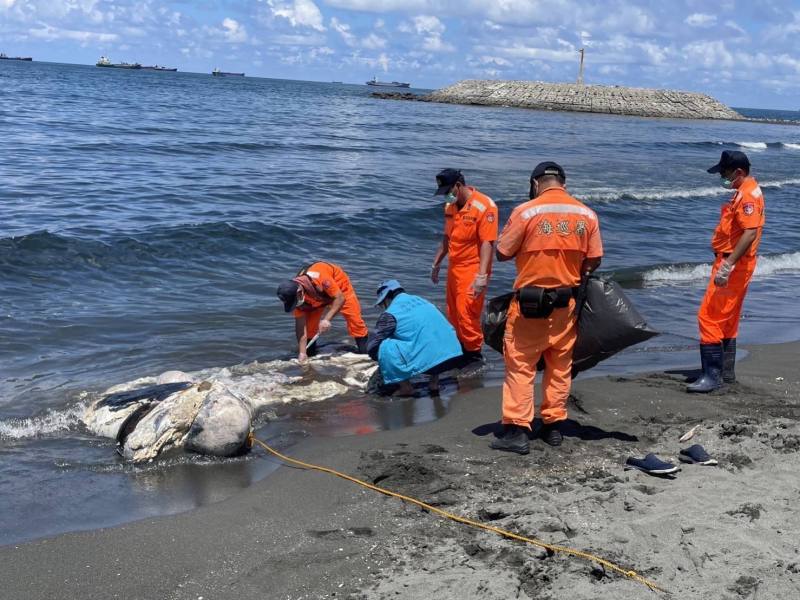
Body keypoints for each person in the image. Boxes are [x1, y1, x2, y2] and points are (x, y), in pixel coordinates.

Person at [490, 162, 603, 454]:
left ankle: (518, 430)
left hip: (529, 306)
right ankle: (553, 426)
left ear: (535, 183)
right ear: (563, 182)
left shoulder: (525, 212)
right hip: (566, 305)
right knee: (559, 367)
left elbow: (502, 252)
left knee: (520, 365)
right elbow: (594, 260)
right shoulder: (586, 214)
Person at [688, 150, 765, 393]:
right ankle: (726, 372)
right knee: (728, 319)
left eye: (724, 173)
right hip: (738, 264)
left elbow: (749, 233)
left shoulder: (747, 196)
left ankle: (711, 376)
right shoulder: (746, 191)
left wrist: (727, 265)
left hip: (733, 265)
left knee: (708, 317)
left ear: (738, 172)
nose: (722, 177)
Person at [430, 168, 498, 362]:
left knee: (466, 313)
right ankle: (463, 350)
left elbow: (487, 243)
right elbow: (447, 237)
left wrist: (482, 276)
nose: (446, 196)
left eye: (448, 191)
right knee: (453, 313)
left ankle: (475, 355)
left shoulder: (484, 206)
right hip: (454, 268)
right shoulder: (450, 206)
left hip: (473, 268)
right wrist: (436, 264)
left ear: (458, 186)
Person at [367, 280, 463, 395]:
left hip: (435, 361)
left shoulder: (390, 313)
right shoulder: (423, 301)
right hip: (453, 355)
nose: (383, 307)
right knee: (429, 335)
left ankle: (405, 388)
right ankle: (434, 383)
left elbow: (372, 346)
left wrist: (383, 363)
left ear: (387, 298)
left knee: (385, 346)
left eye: (382, 304)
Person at [276, 261, 369, 362]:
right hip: (316, 297)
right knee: (310, 328)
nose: (296, 305)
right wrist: (302, 352)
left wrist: (326, 319)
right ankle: (310, 355)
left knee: (355, 321)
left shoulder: (321, 278)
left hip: (340, 290)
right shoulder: (295, 296)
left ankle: (366, 354)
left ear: (299, 292)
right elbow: (300, 327)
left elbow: (340, 299)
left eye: (295, 302)